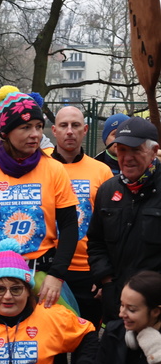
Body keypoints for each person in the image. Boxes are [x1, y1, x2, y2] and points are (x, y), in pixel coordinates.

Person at [0, 86, 79, 313]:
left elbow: (69, 226)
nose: (36, 134)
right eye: (26, 127)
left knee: (48, 343)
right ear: (6, 132)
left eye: (39, 127)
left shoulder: (55, 170)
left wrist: (57, 276)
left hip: (40, 275)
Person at [87, 117, 161, 325]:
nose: (127, 158)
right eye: (121, 150)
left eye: (135, 150)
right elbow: (96, 242)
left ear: (154, 151)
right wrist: (107, 282)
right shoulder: (108, 190)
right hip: (117, 305)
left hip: (155, 307)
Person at [50, 106, 112, 326]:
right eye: (64, 125)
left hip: (88, 271)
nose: (69, 131)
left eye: (75, 125)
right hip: (49, 270)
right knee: (51, 342)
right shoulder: (39, 166)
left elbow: (108, 226)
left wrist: (103, 272)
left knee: (88, 341)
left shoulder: (101, 171)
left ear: (85, 130)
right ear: (54, 130)